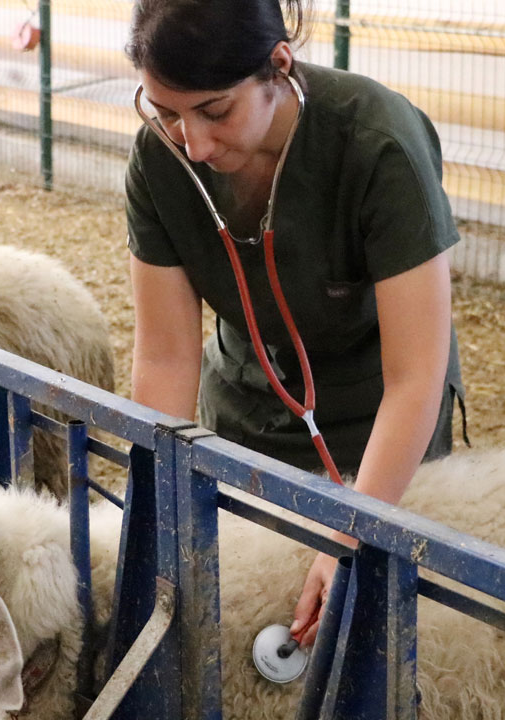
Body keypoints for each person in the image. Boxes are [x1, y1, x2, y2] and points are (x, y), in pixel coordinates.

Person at [124, 0, 465, 648]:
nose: (192, 144)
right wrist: (155, 506)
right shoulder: (159, 163)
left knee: (366, 631)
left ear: (278, 66)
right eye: (166, 112)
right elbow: (166, 360)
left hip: (378, 421)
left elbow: (417, 375)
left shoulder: (377, 142)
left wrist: (352, 533)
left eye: (215, 110)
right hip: (246, 408)